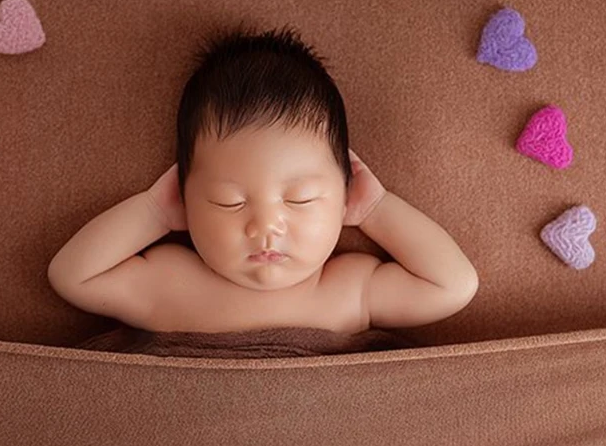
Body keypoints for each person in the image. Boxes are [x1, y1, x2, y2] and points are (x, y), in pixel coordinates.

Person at [47, 24, 479, 334]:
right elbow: (72, 275)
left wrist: (376, 209)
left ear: (345, 195)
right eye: (228, 201)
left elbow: (453, 286)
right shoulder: (170, 285)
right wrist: (153, 212)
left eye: (302, 199)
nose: (265, 226)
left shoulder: (348, 290)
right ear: (186, 200)